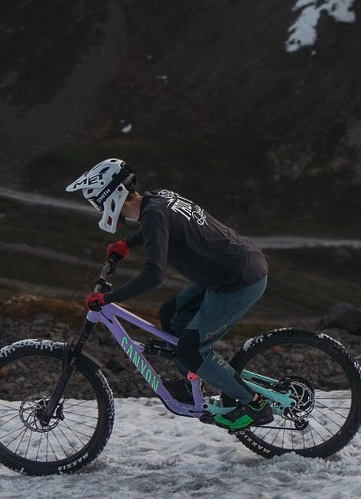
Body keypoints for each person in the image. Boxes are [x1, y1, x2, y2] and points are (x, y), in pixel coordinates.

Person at [66, 158, 270, 428]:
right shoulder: (158, 198)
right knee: (172, 314)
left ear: (111, 197)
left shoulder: (152, 215)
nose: (98, 209)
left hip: (238, 280)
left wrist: (108, 299)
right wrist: (128, 243)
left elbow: (154, 275)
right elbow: (160, 227)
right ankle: (191, 379)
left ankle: (254, 404)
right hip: (231, 267)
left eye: (97, 203)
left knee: (192, 350)